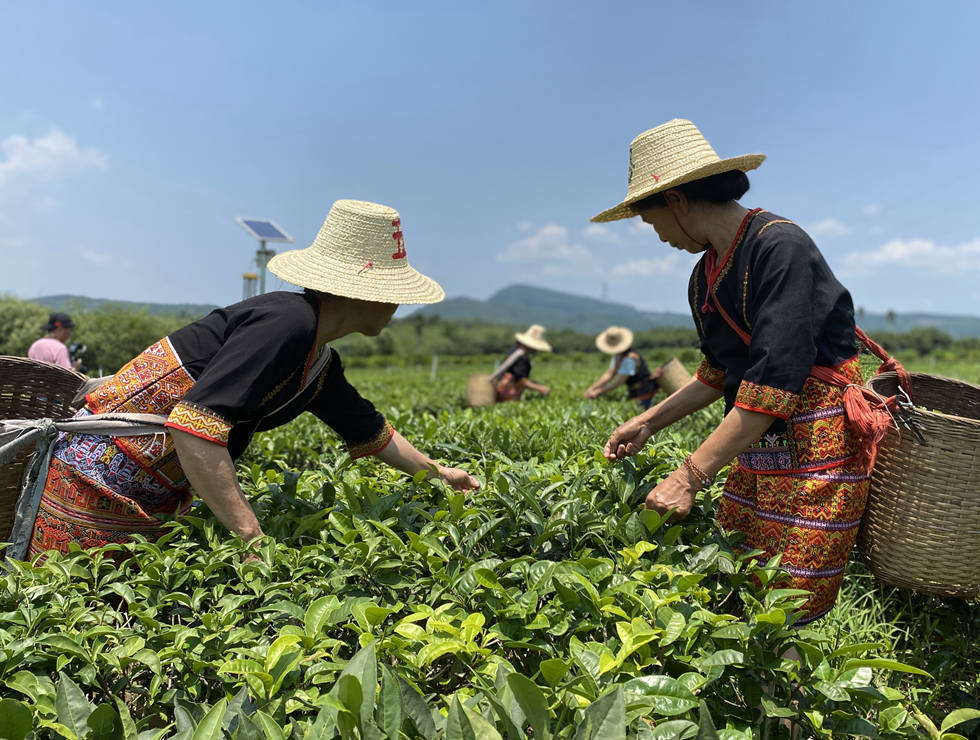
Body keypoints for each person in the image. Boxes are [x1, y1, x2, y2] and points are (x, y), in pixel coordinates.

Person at [29, 199, 480, 559]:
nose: (398, 306)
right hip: (95, 481)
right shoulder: (287, 323)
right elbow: (194, 427)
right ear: (362, 292)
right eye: (392, 293)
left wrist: (439, 474)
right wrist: (251, 536)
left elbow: (370, 431)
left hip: (148, 490)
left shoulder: (317, 359)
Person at [593, 119, 869, 624]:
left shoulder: (779, 246)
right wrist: (649, 421)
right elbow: (718, 372)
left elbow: (773, 380)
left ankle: (787, 698)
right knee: (744, 573)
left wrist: (690, 475)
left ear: (676, 201)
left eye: (653, 223)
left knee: (791, 595)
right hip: (759, 448)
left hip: (816, 447)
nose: (658, 238)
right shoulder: (704, 275)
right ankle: (755, 697)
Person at [584, 326, 663, 409]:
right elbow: (609, 374)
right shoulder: (618, 356)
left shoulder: (630, 358)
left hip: (645, 393)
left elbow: (619, 381)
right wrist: (592, 388)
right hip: (635, 392)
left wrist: (598, 391)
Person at [494, 325, 552, 401]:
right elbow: (521, 381)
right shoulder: (522, 358)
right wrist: (540, 388)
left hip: (499, 389)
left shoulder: (514, 351)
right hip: (507, 393)